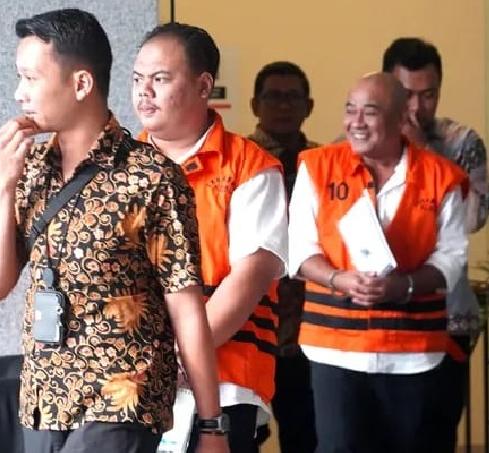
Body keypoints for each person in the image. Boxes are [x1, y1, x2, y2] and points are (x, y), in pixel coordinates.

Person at [0, 9, 227, 453]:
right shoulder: (29, 170)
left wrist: (211, 426)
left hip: (123, 395)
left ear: (81, 84)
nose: (18, 93)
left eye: (30, 78)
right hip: (46, 396)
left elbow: (187, 308)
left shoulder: (151, 178)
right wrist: (1, 182)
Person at [289, 72, 468, 453]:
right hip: (334, 347)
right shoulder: (318, 167)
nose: (356, 122)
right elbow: (299, 249)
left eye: (369, 112)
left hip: (413, 352)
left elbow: (452, 256)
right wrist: (338, 279)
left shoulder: (441, 177)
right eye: (349, 109)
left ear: (401, 117)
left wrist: (403, 286)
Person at [133, 22, 288, 453]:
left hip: (224, 381)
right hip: (130, 384)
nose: (144, 91)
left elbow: (247, 281)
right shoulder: (118, 167)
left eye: (160, 79)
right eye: (137, 78)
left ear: (204, 86)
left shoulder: (250, 167)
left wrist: (174, 357)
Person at [383, 37, 489, 448]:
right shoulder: (361, 141)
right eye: (406, 94)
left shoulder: (462, 143)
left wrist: (423, 154)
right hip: (379, 320)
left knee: (434, 436)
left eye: (428, 95)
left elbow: (473, 218)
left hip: (447, 319)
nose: (416, 108)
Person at [248, 61, 317, 453]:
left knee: (305, 434)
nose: (284, 106)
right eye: (274, 96)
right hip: (251, 321)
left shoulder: (325, 162)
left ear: (309, 106)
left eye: (293, 97)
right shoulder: (239, 158)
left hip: (309, 325)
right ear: (255, 105)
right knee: (244, 435)